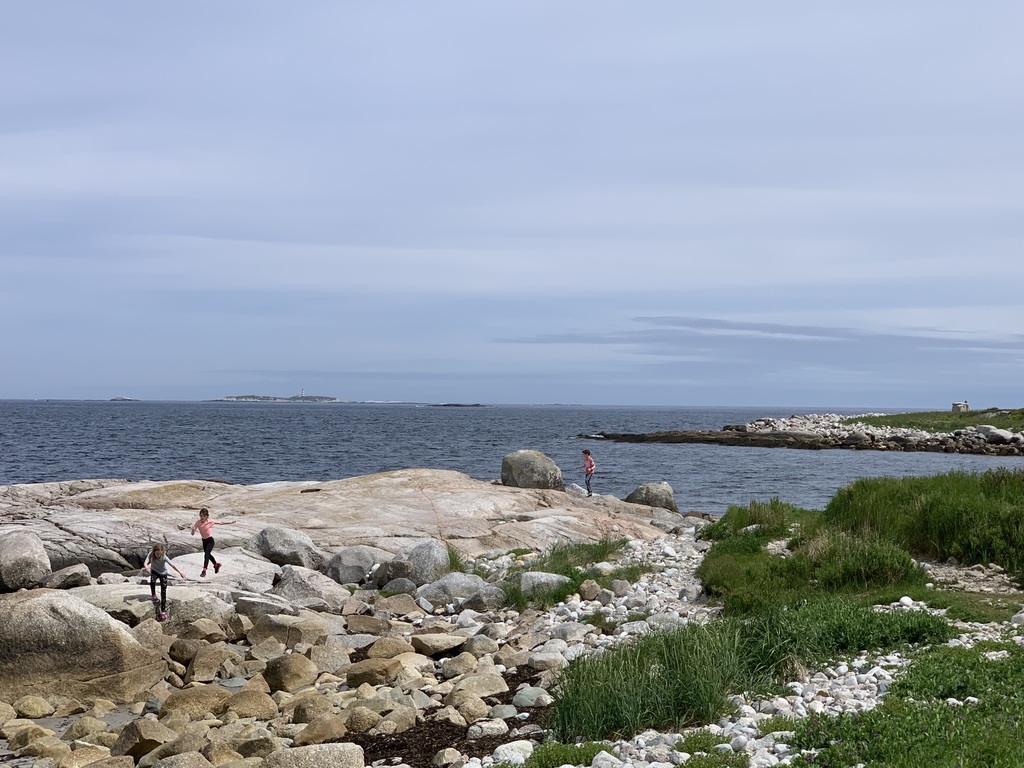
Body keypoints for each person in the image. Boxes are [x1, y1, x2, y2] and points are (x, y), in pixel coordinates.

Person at [143, 543, 186, 622]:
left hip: (163, 574)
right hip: (154, 571)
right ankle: (153, 595)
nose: (158, 556)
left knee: (163, 592)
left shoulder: (164, 557)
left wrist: (180, 572)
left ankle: (163, 612)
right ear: (154, 552)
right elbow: (145, 562)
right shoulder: (151, 554)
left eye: (160, 554)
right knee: (152, 581)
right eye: (157, 554)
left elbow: (172, 565)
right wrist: (147, 568)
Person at [190, 507, 236, 577]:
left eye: (203, 516)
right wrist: (193, 530)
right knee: (208, 554)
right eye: (200, 515)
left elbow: (221, 522)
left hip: (210, 541)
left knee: (206, 554)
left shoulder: (210, 521)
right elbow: (192, 534)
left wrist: (230, 522)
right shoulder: (198, 522)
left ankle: (204, 571)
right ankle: (216, 565)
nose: (201, 517)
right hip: (204, 541)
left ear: (207, 516)